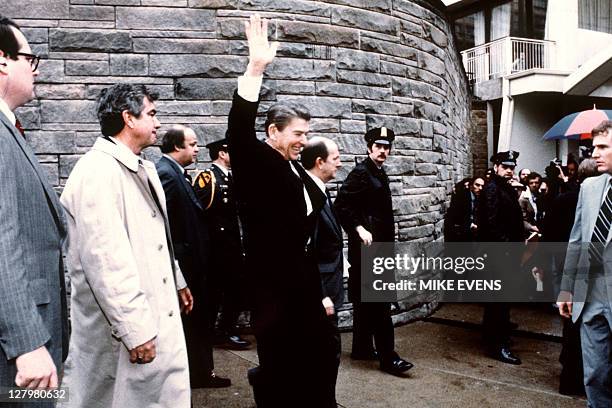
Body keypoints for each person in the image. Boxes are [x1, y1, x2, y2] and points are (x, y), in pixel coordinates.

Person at [226, 14, 336, 407]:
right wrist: (255, 68)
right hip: (273, 292)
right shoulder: (257, 161)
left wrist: (319, 292)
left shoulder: (297, 169)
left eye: (307, 135)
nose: (304, 142)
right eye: (297, 135)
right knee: (280, 371)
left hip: (302, 287)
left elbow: (306, 229)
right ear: (273, 132)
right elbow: (239, 131)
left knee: (318, 360)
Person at [59, 84, 191, 407]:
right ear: (128, 119)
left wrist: (177, 280)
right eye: (151, 114)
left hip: (154, 317)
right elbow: (106, 260)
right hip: (125, 335)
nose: (158, 123)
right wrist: (134, 329)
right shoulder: (97, 172)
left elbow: (154, 235)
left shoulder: (140, 166)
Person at [0, 15, 69, 403]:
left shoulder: (10, 129)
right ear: (3, 61)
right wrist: (26, 341)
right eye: (31, 58)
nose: (35, 69)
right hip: (18, 348)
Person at [334, 126, 414, 376]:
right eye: (378, 146)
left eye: (386, 147)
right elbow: (341, 205)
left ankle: (361, 348)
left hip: (379, 248)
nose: (383, 151)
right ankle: (389, 358)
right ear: (369, 148)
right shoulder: (361, 173)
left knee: (365, 302)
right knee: (379, 304)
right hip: (370, 248)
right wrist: (358, 228)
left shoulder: (378, 172)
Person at [156, 126, 231, 388]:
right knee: (195, 323)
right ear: (177, 147)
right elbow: (161, 224)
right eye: (193, 144)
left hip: (195, 265)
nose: (198, 149)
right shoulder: (165, 173)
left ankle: (199, 371)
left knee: (199, 322)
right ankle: (198, 373)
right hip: (186, 266)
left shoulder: (179, 174)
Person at [558, 121, 612, 407]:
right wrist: (567, 290)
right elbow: (577, 241)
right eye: (594, 148)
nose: (595, 154)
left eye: (603, 147)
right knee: (594, 376)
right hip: (590, 298)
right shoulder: (590, 187)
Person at [544, 158, 598, 396]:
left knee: (571, 324)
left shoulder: (564, 198)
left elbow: (549, 233)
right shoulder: (578, 200)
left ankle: (570, 375)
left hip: (566, 265)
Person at [300, 136, 344, 402]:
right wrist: (320, 294)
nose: (339, 163)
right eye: (335, 158)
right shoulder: (308, 195)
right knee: (324, 352)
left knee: (326, 352)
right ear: (320, 162)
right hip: (320, 291)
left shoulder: (320, 189)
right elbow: (306, 252)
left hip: (329, 282)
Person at [196, 138, 251, 351]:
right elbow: (199, 213)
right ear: (221, 153)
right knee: (215, 293)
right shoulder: (207, 178)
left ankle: (225, 330)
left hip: (233, 246)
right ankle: (212, 332)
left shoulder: (232, 177)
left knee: (235, 291)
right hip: (217, 248)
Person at [477, 150, 524, 365]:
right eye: (505, 167)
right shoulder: (492, 189)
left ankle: (492, 337)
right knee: (499, 301)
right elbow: (491, 224)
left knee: (499, 301)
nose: (509, 171)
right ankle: (498, 345)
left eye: (512, 167)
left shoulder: (502, 187)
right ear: (496, 167)